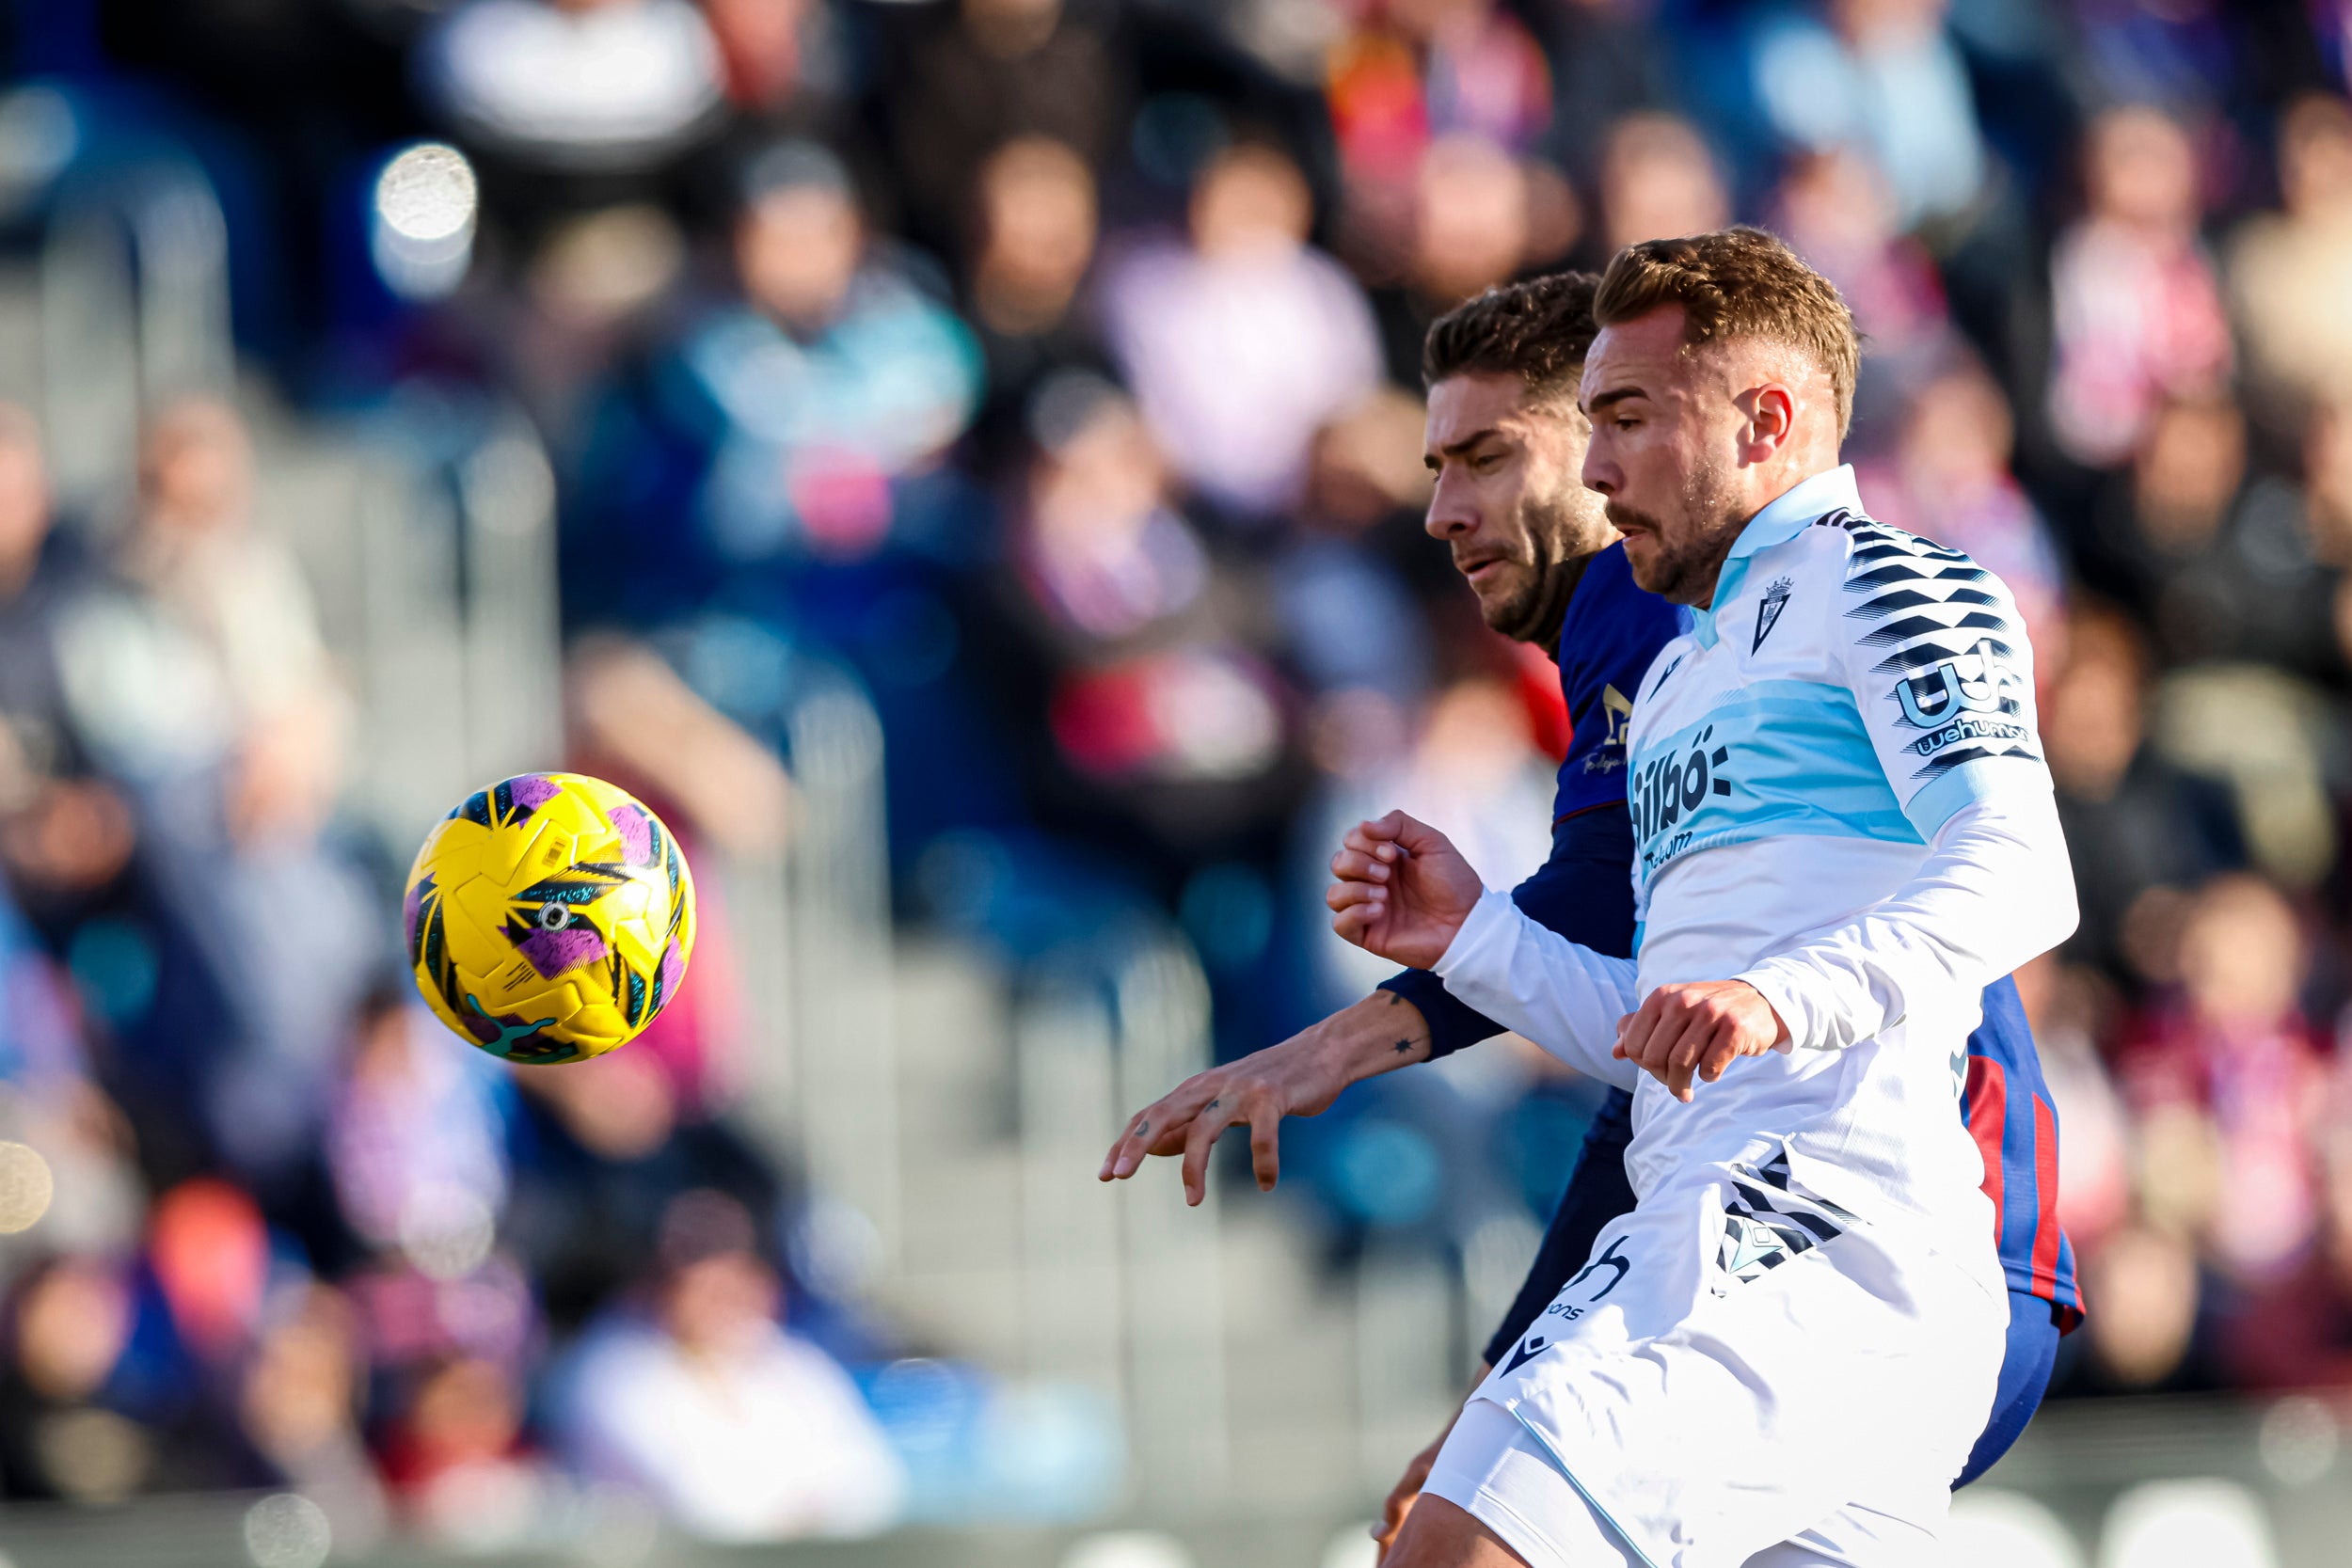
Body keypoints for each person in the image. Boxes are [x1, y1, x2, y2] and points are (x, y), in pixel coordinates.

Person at [1105, 235, 2078, 1564]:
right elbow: (1653, 1032)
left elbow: (2019, 866)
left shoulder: (1867, 581)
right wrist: (1476, 939)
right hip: (1750, 1215)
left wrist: (1769, 998)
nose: (1442, 512)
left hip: (1837, 1214)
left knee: (1453, 1552)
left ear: (1759, 422)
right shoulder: (1682, 678)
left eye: (1500, 454)